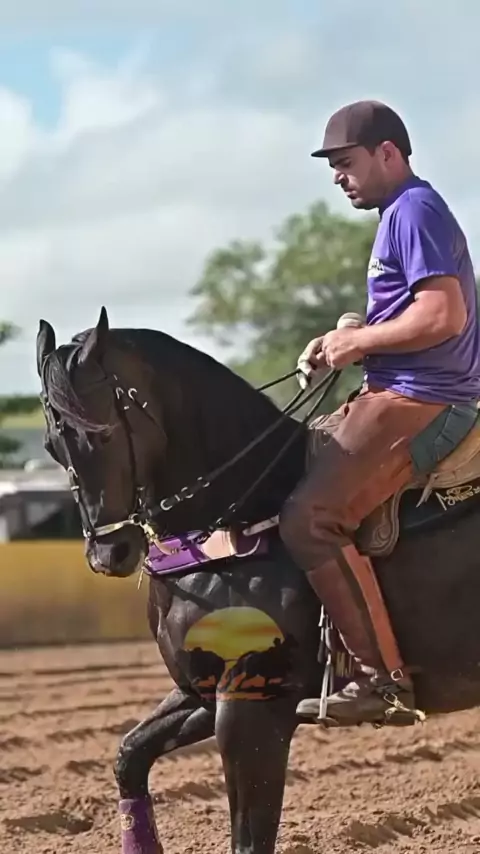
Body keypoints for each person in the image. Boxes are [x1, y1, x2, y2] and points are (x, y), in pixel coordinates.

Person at [279, 99, 480, 727]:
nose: (339, 178)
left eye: (346, 163)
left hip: (421, 397)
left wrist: (360, 343)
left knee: (308, 519)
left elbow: (443, 315)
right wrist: (347, 335)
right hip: (402, 388)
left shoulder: (413, 210)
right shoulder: (401, 213)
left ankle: (380, 682)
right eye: (333, 168)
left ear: (387, 152)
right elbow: (408, 314)